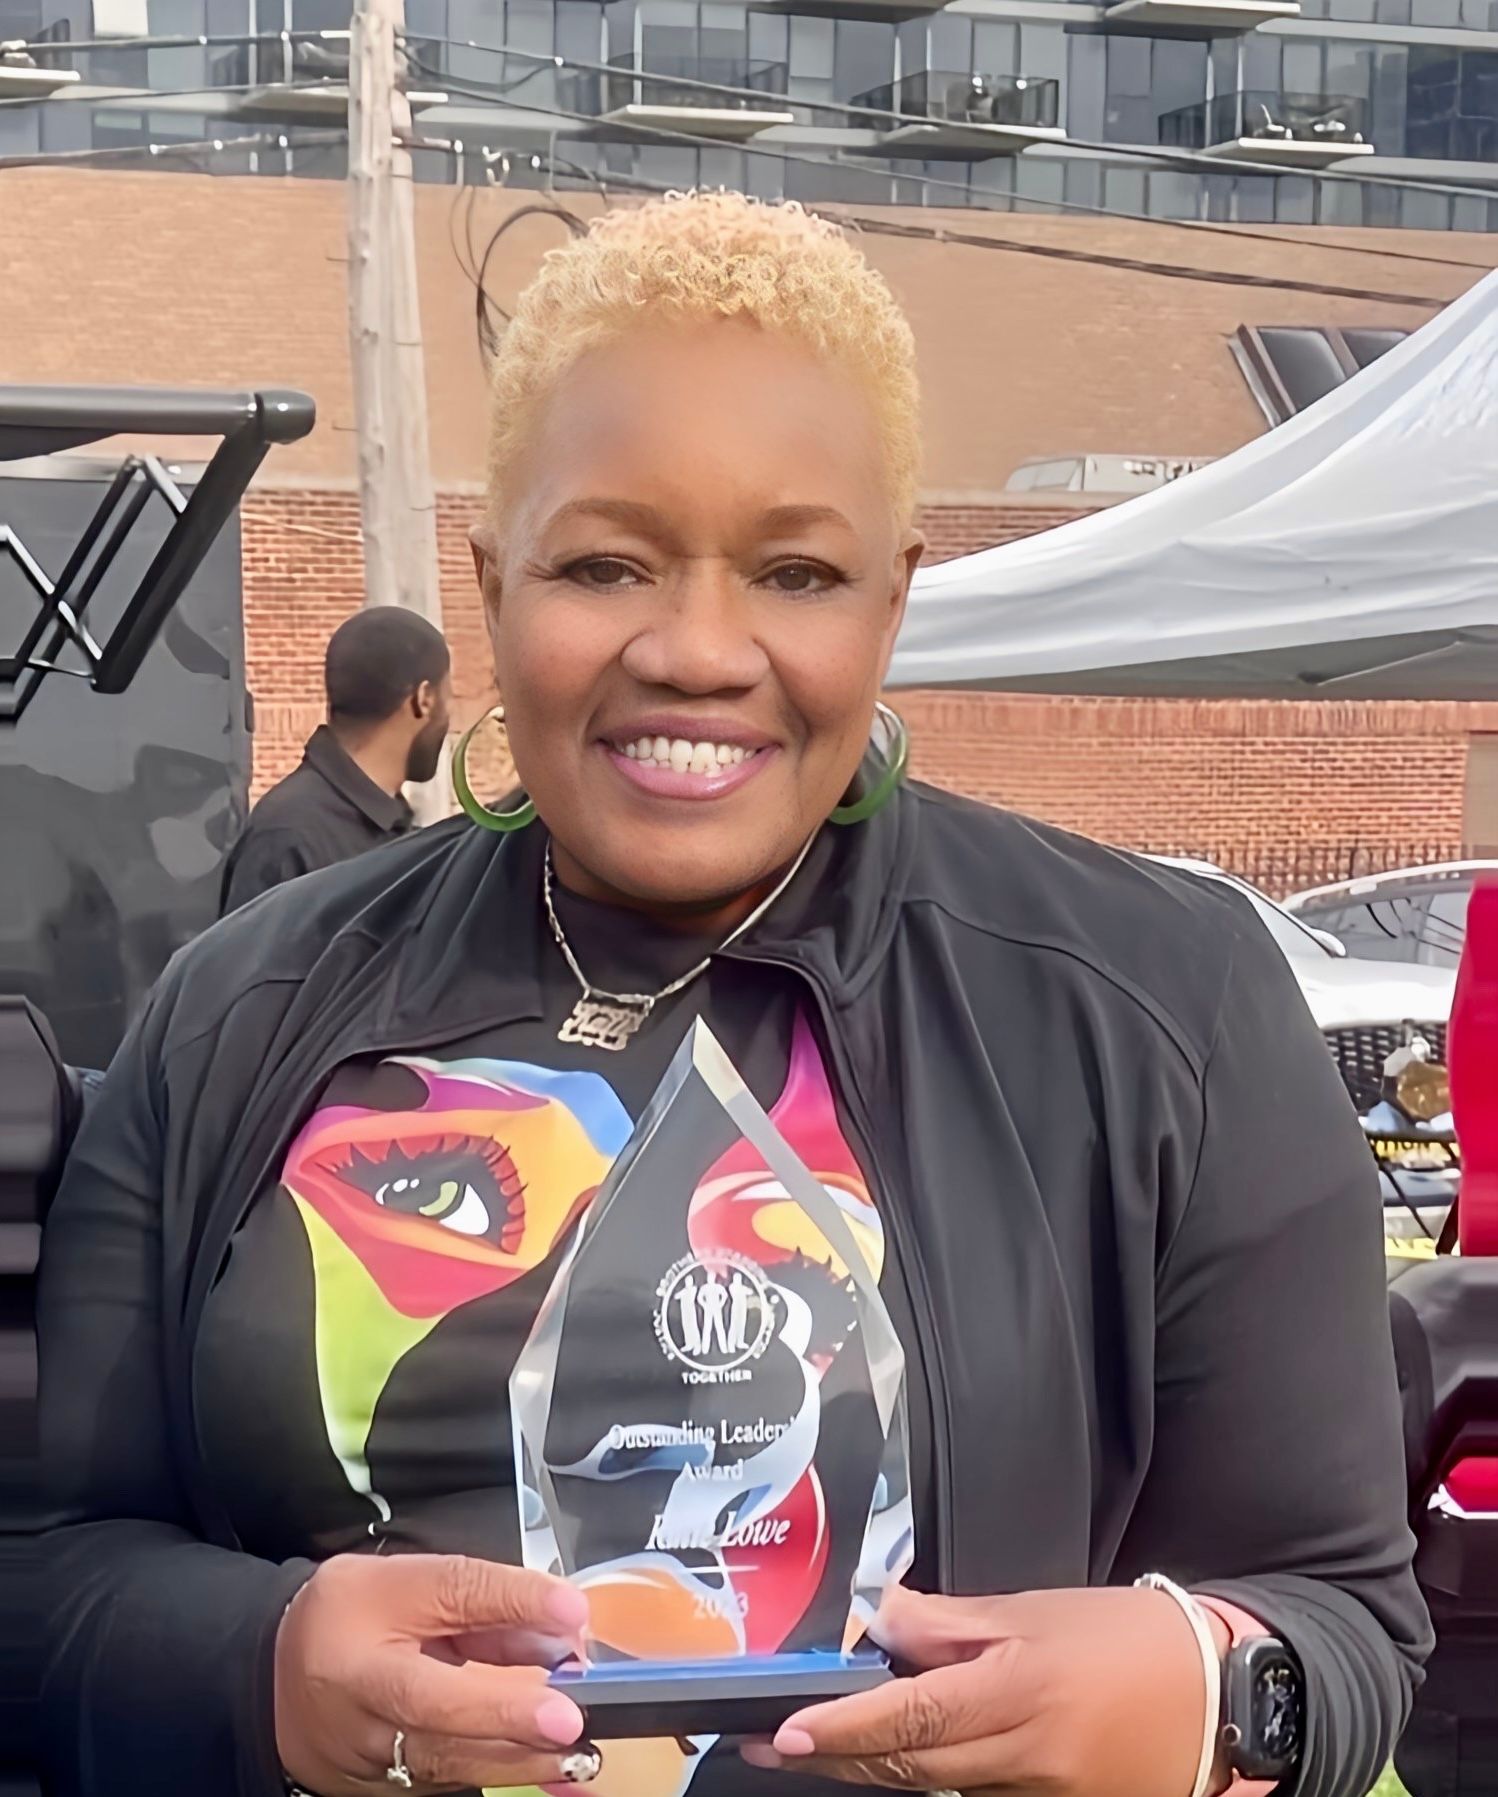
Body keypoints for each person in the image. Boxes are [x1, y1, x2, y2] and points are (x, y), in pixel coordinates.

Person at [40, 192, 1429, 1797]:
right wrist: (260, 1667)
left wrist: (1201, 1692)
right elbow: (50, 1579)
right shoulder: (243, 1007)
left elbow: (1341, 1634)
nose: (698, 650)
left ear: (889, 600)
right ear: (494, 582)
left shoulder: (1166, 1012)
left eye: (794, 572)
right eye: (606, 562)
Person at [219, 605, 452, 914]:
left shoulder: (384, 825)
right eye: (448, 697)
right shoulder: (290, 837)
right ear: (424, 699)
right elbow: (245, 961)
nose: (448, 717)